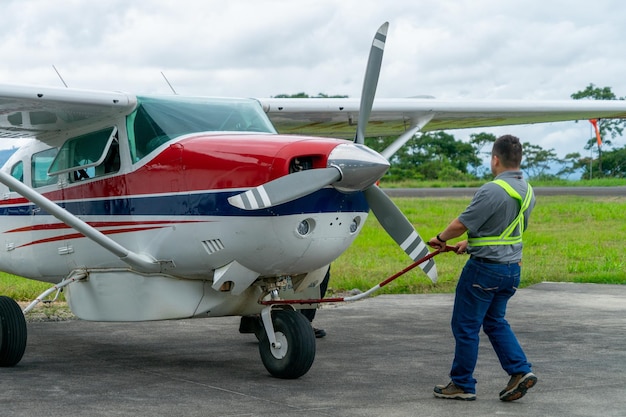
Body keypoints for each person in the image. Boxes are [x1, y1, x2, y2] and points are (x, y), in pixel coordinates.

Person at [428, 134, 537, 402]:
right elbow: (509, 229)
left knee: (465, 326)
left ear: (495, 159)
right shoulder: (528, 190)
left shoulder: (492, 189)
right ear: (518, 160)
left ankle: (463, 383)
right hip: (511, 270)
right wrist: (471, 243)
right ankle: (520, 371)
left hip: (484, 271)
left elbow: (461, 222)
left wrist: (441, 239)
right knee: (495, 321)